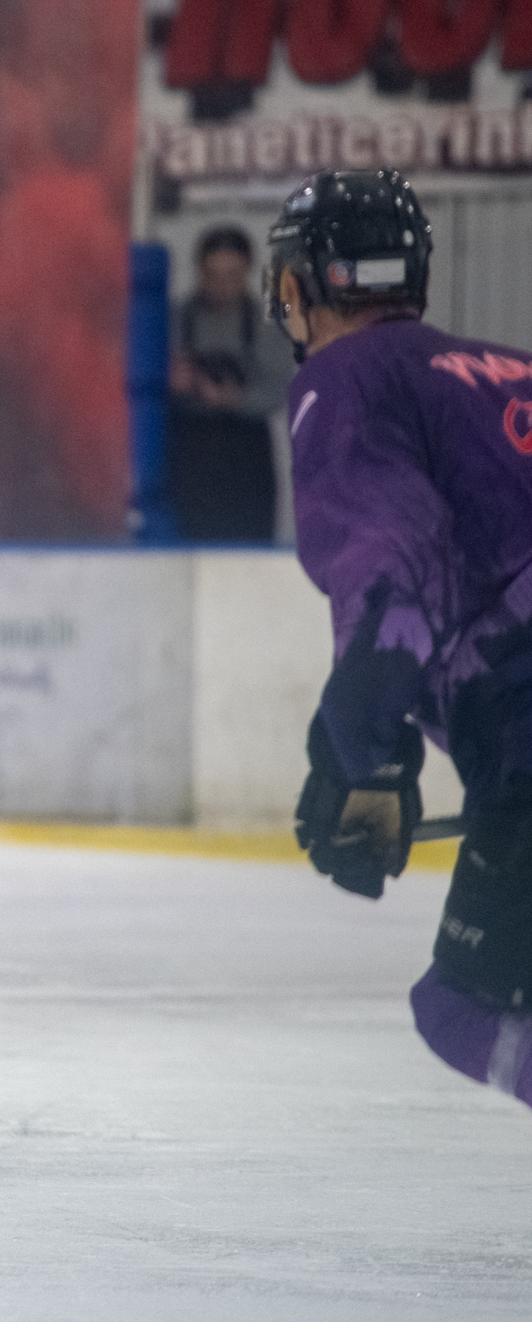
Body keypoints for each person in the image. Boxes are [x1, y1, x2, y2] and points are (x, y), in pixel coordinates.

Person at [276, 169, 532, 1109]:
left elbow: (398, 569)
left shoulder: (343, 380)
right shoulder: (506, 369)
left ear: (298, 286)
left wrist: (372, 759)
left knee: (473, 1005)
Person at [166, 225, 298, 542]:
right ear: (199, 271)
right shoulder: (172, 320)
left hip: (245, 458)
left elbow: (281, 391)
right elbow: (134, 382)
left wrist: (237, 399)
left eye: (233, 275)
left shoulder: (267, 327)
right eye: (213, 274)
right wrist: (168, 382)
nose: (222, 284)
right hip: (187, 452)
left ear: (248, 272)